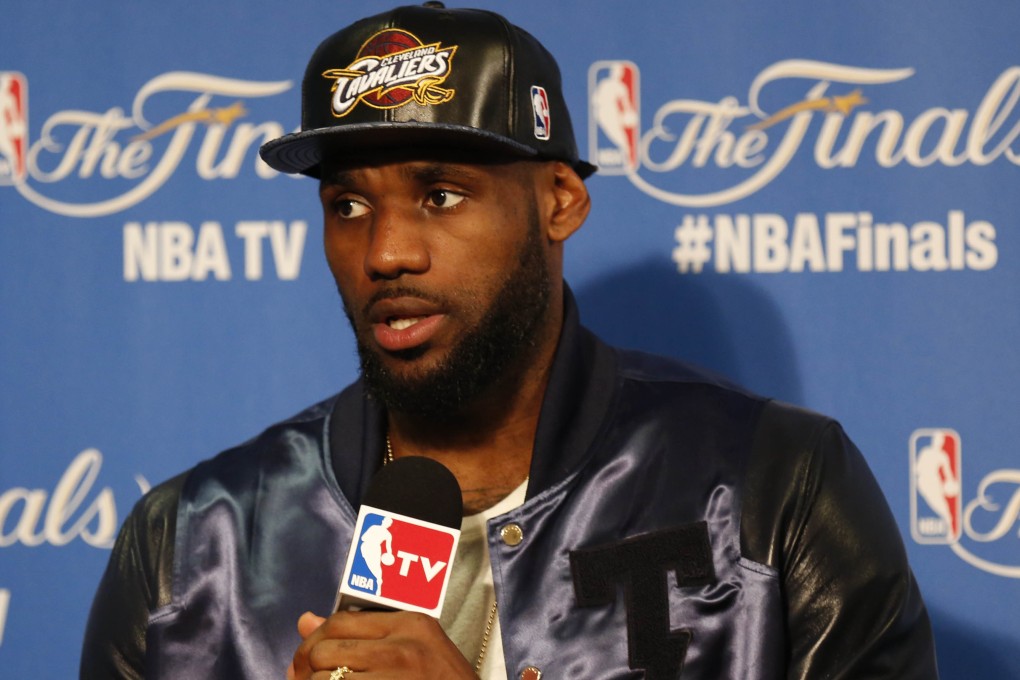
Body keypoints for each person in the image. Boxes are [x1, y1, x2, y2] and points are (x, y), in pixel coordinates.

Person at [81, 3, 940, 679]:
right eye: (347, 205)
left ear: (560, 200)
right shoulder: (191, 548)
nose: (385, 251)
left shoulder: (775, 485)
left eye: (441, 194)